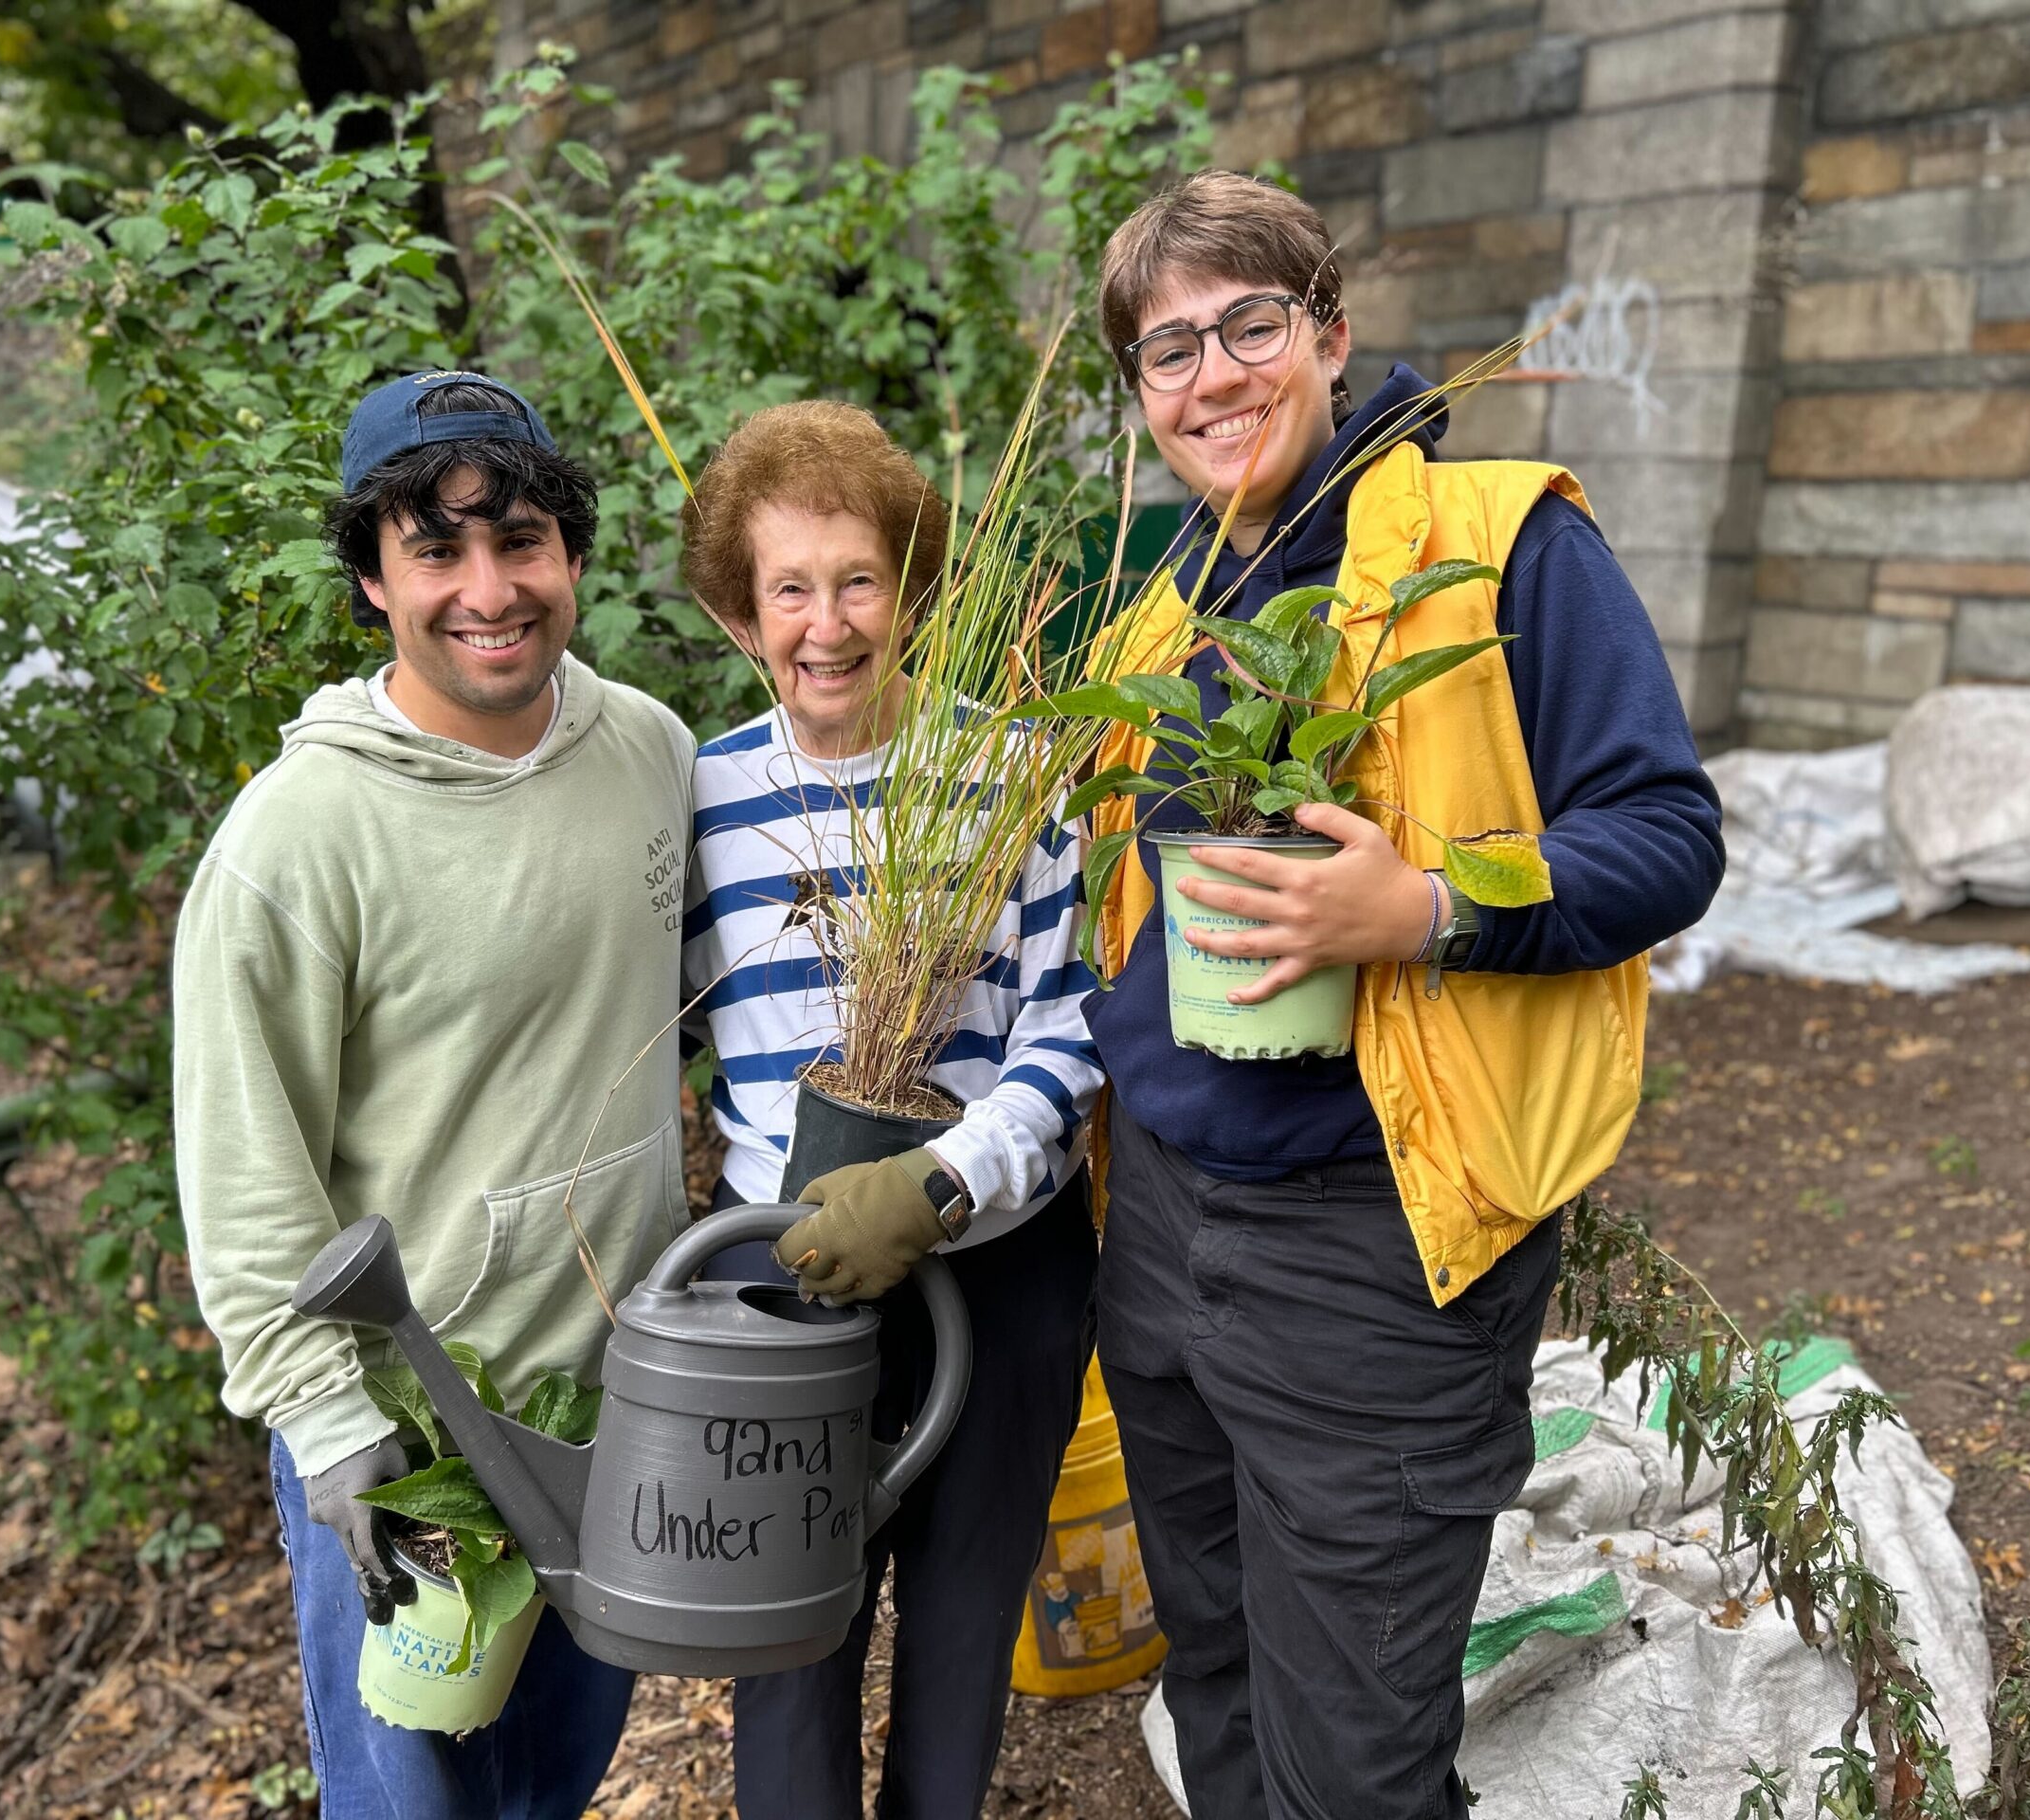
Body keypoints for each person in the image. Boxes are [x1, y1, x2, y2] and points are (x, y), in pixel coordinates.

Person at [1080, 173, 1728, 1818]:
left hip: (1375, 1241)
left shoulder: (1501, 541)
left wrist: (1426, 907)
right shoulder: (1168, 606)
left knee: (1358, 1760)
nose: (1212, 375)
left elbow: (1664, 836)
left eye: (1249, 325)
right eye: (1169, 350)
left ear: (1331, 333)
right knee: (1215, 1677)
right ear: (1142, 393)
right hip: (1162, 1227)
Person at [172, 372, 695, 1820]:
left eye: (520, 540)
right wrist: (326, 1425)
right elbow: (243, 1165)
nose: (489, 589)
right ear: (369, 579)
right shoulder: (300, 838)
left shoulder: (648, 753)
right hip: (409, 1446)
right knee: (416, 1808)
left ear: (571, 555)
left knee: (553, 1786)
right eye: (437, 551)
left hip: (611, 1414)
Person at [678, 400, 1101, 1820]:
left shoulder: (1014, 773)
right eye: (788, 588)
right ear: (741, 612)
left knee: (965, 1631)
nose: (828, 623)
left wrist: (946, 1180)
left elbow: (1072, 1018)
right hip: (781, 1287)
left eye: (858, 579)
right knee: (787, 1644)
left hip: (1002, 1276)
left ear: (912, 588)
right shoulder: (701, 801)